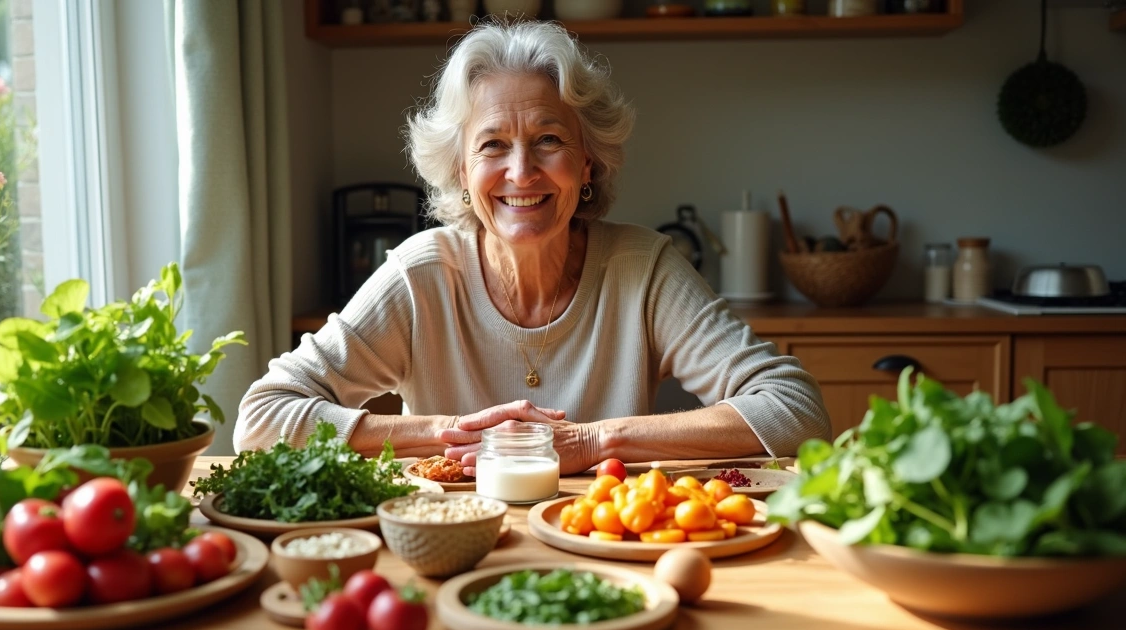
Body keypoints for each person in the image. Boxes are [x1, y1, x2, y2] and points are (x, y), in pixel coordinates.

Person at [234, 20, 830, 474]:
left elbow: (797, 411)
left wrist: (597, 441)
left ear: (587, 162)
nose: (522, 172)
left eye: (548, 139)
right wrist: (450, 432)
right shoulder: (422, 275)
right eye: (493, 145)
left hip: (604, 546)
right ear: (462, 172)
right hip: (455, 545)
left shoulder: (641, 269)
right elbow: (260, 419)